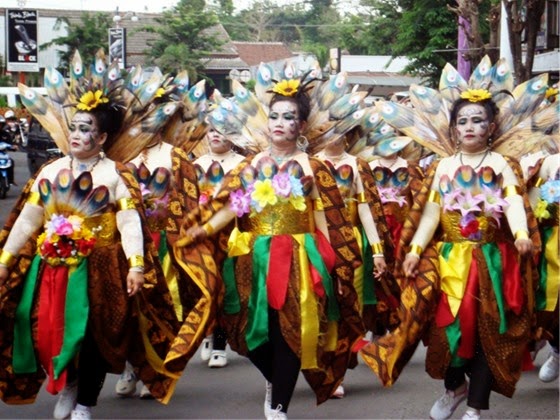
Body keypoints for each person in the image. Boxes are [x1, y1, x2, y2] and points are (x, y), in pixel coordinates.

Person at [0, 54, 181, 419]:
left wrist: (135, 265)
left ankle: (85, 401)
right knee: (49, 331)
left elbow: (130, 222)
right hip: (51, 270)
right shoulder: (50, 170)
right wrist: (5, 260)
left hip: (101, 267)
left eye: (86, 130)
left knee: (96, 336)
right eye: (74, 127)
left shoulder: (117, 174)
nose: (77, 135)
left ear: (101, 137)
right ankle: (68, 385)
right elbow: (28, 219)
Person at [179, 78, 364, 419]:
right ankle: (274, 378)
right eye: (275, 116)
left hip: (299, 259)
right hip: (252, 258)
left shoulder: (314, 167)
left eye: (289, 117)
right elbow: (233, 207)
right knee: (250, 334)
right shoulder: (250, 165)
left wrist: (335, 265)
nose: (280, 124)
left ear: (302, 125)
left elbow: (326, 221)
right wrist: (201, 230)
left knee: (290, 332)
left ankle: (279, 408)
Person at [363, 90, 539, 420]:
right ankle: (454, 387)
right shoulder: (443, 166)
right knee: (444, 332)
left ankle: (474, 408)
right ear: (453, 129)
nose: (470, 126)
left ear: (491, 126)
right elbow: (430, 215)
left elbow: (515, 202)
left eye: (478, 120)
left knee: (489, 333)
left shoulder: (503, 164)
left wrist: (521, 234)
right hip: (447, 262)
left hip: (490, 262)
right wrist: (415, 250)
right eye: (463, 121)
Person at [316, 134, 395, 398]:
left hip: (351, 245)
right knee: (320, 304)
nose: (334, 136)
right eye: (329, 130)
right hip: (317, 244)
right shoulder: (310, 163)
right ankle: (321, 363)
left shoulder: (357, 165)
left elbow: (364, 210)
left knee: (350, 305)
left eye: (341, 130)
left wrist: (377, 250)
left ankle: (336, 372)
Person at [194, 123, 245, 368]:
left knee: (226, 286)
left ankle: (219, 343)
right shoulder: (196, 164)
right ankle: (207, 332)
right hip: (201, 235)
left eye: (223, 130)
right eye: (212, 129)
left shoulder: (243, 164)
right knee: (204, 284)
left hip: (230, 234)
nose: (216, 134)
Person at [527, 152, 559, 383]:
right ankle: (556, 351)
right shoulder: (551, 162)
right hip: (553, 246)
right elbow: (533, 202)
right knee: (552, 305)